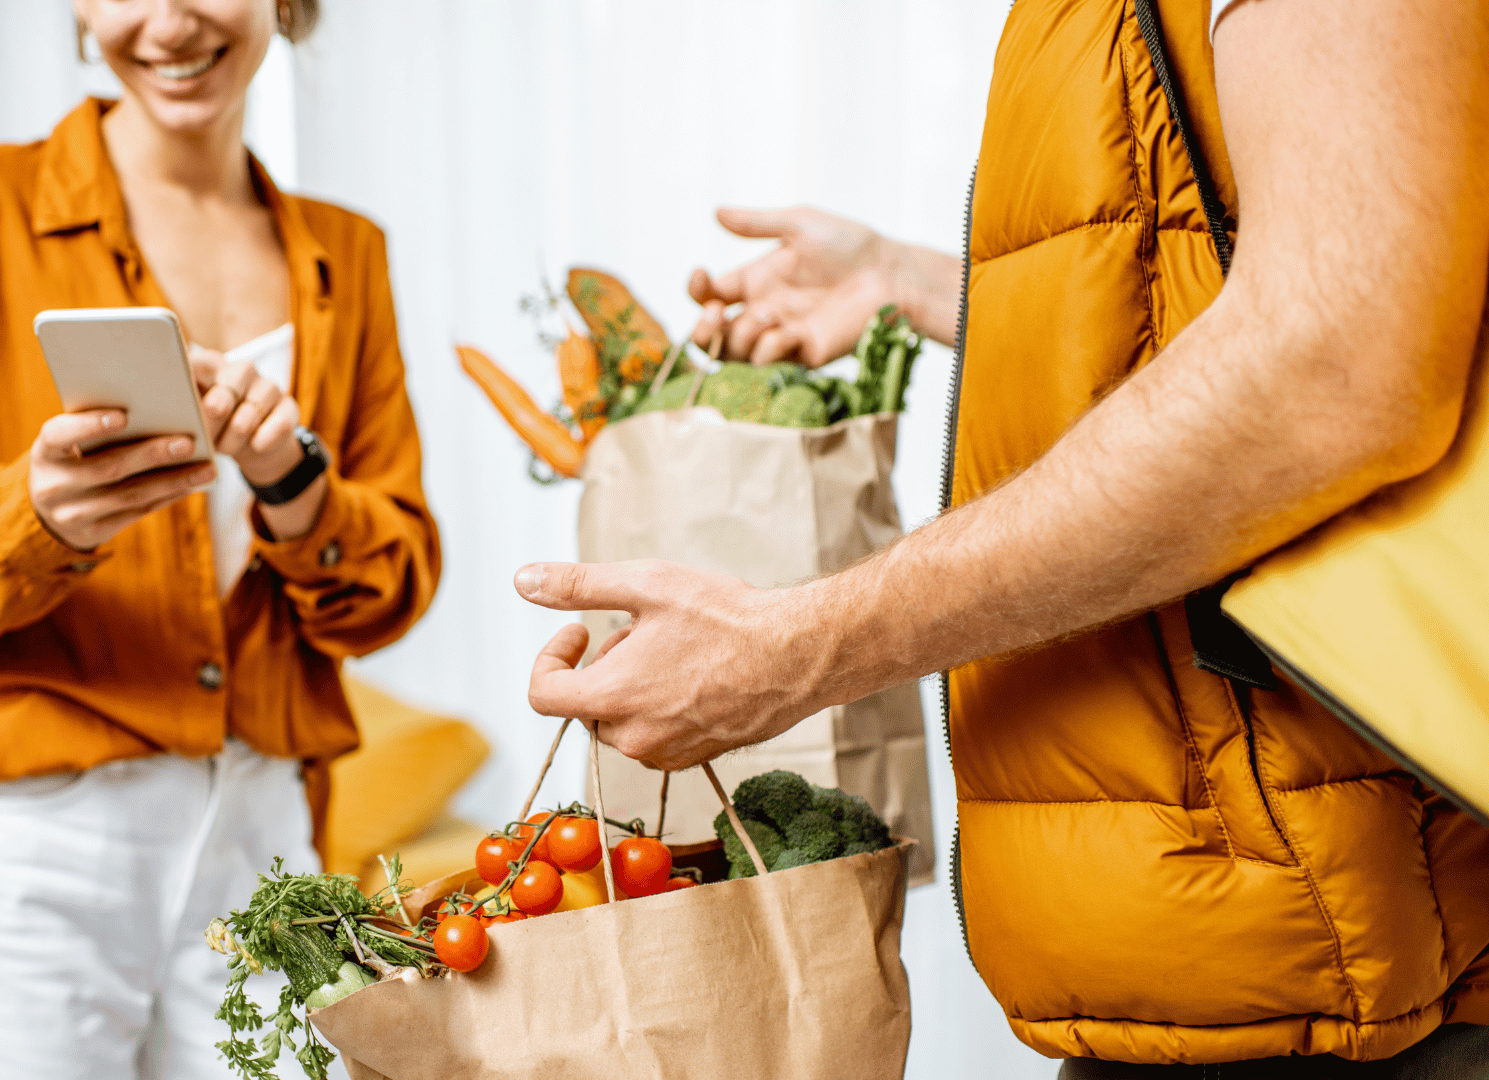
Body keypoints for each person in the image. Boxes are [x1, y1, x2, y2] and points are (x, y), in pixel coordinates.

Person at [518, 0, 1489, 1074]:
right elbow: (1205, 281)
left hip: (1346, 971)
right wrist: (913, 282)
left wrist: (795, 650)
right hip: (1219, 965)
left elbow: (1333, 370)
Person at [0, 1, 439, 1077]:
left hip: (262, 826)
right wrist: (37, 520)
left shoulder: (348, 253)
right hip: (27, 840)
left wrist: (292, 482)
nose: (169, 20)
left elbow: (391, 592)